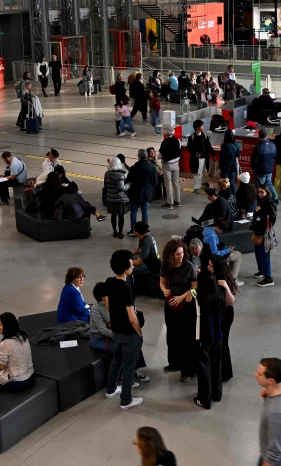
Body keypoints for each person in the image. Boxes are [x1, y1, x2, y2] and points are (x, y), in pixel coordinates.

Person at [104, 250, 145, 410]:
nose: (133, 265)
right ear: (125, 267)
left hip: (116, 330)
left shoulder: (109, 282)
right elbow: (132, 317)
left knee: (117, 359)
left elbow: (108, 306)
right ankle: (126, 400)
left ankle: (110, 389)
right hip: (129, 333)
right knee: (129, 366)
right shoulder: (126, 288)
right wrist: (139, 333)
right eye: (131, 263)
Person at [194, 252, 235, 410]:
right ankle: (217, 393)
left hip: (203, 339)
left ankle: (204, 399)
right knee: (216, 366)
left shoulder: (199, 301)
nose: (208, 267)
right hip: (217, 336)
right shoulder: (219, 297)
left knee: (204, 369)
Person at [160, 240, 198, 381]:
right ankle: (173, 363)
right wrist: (165, 292)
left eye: (182, 253)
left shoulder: (189, 266)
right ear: (170, 255)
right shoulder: (166, 266)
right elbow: (162, 283)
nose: (181, 256)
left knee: (185, 337)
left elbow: (195, 288)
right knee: (171, 334)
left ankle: (186, 369)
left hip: (185, 305)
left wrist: (181, 297)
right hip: (170, 304)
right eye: (177, 254)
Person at [0, 312, 34, 392]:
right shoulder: (22, 335)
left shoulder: (5, 343)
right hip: (30, 376)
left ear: (7, 327)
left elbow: (1, 366)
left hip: (19, 382)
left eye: (0, 324)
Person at [251, 184, 278, 287]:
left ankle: (268, 278)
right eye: (259, 192)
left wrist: (260, 211)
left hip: (265, 232)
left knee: (264, 254)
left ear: (267, 192)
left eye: (262, 192)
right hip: (258, 230)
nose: (260, 194)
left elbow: (272, 218)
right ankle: (261, 270)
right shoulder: (260, 200)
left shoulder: (270, 202)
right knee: (258, 252)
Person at [128, 149, 160, 230]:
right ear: (146, 156)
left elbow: (128, 180)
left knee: (133, 211)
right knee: (145, 211)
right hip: (147, 192)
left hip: (135, 193)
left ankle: (133, 229)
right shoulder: (152, 168)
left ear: (138, 157)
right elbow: (155, 182)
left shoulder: (133, 168)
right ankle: (144, 229)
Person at [203, 218, 243, 284]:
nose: (222, 232)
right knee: (238, 255)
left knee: (234, 254)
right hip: (215, 258)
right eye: (222, 230)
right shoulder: (212, 236)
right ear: (219, 228)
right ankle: (232, 279)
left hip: (209, 255)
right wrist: (227, 250)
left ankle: (229, 276)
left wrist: (226, 247)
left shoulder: (208, 230)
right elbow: (215, 253)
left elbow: (216, 246)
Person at [104, 157, 131, 238]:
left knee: (113, 216)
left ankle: (115, 231)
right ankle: (120, 233)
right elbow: (121, 188)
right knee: (121, 216)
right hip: (120, 199)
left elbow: (105, 186)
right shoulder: (120, 175)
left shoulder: (107, 173)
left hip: (111, 199)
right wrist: (129, 184)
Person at [187, 120, 214, 193]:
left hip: (205, 158)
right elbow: (189, 148)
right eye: (202, 126)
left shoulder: (204, 135)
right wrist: (195, 153)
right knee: (197, 173)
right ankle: (196, 188)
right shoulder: (192, 137)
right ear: (197, 127)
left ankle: (204, 182)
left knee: (205, 171)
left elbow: (208, 145)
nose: (203, 127)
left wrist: (212, 153)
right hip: (197, 159)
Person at [159, 128, 182, 209]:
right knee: (176, 183)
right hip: (176, 164)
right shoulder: (177, 141)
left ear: (165, 133)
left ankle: (170, 203)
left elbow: (160, 155)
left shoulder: (164, 142)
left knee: (168, 183)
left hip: (167, 165)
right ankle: (177, 201)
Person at [219, 129, 240, 199]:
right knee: (231, 183)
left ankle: (223, 198)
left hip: (225, 166)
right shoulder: (236, 144)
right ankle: (234, 198)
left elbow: (222, 157)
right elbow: (238, 155)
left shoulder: (224, 145)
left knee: (224, 183)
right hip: (233, 166)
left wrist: (219, 167)